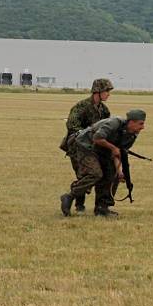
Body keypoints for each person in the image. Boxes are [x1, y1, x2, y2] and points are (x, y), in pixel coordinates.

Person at [60, 109, 147, 218]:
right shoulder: (114, 123)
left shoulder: (131, 135)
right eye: (141, 123)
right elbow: (97, 138)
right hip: (85, 146)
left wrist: (119, 172)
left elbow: (117, 153)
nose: (143, 127)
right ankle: (69, 196)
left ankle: (102, 208)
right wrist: (113, 148)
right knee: (95, 174)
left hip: (102, 151)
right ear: (131, 122)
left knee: (112, 175)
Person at [60, 78, 114, 214]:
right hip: (77, 147)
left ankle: (83, 204)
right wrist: (88, 133)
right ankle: (78, 205)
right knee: (85, 175)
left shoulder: (104, 110)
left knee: (92, 175)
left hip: (94, 148)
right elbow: (72, 125)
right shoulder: (82, 106)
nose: (109, 94)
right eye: (107, 91)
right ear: (98, 91)